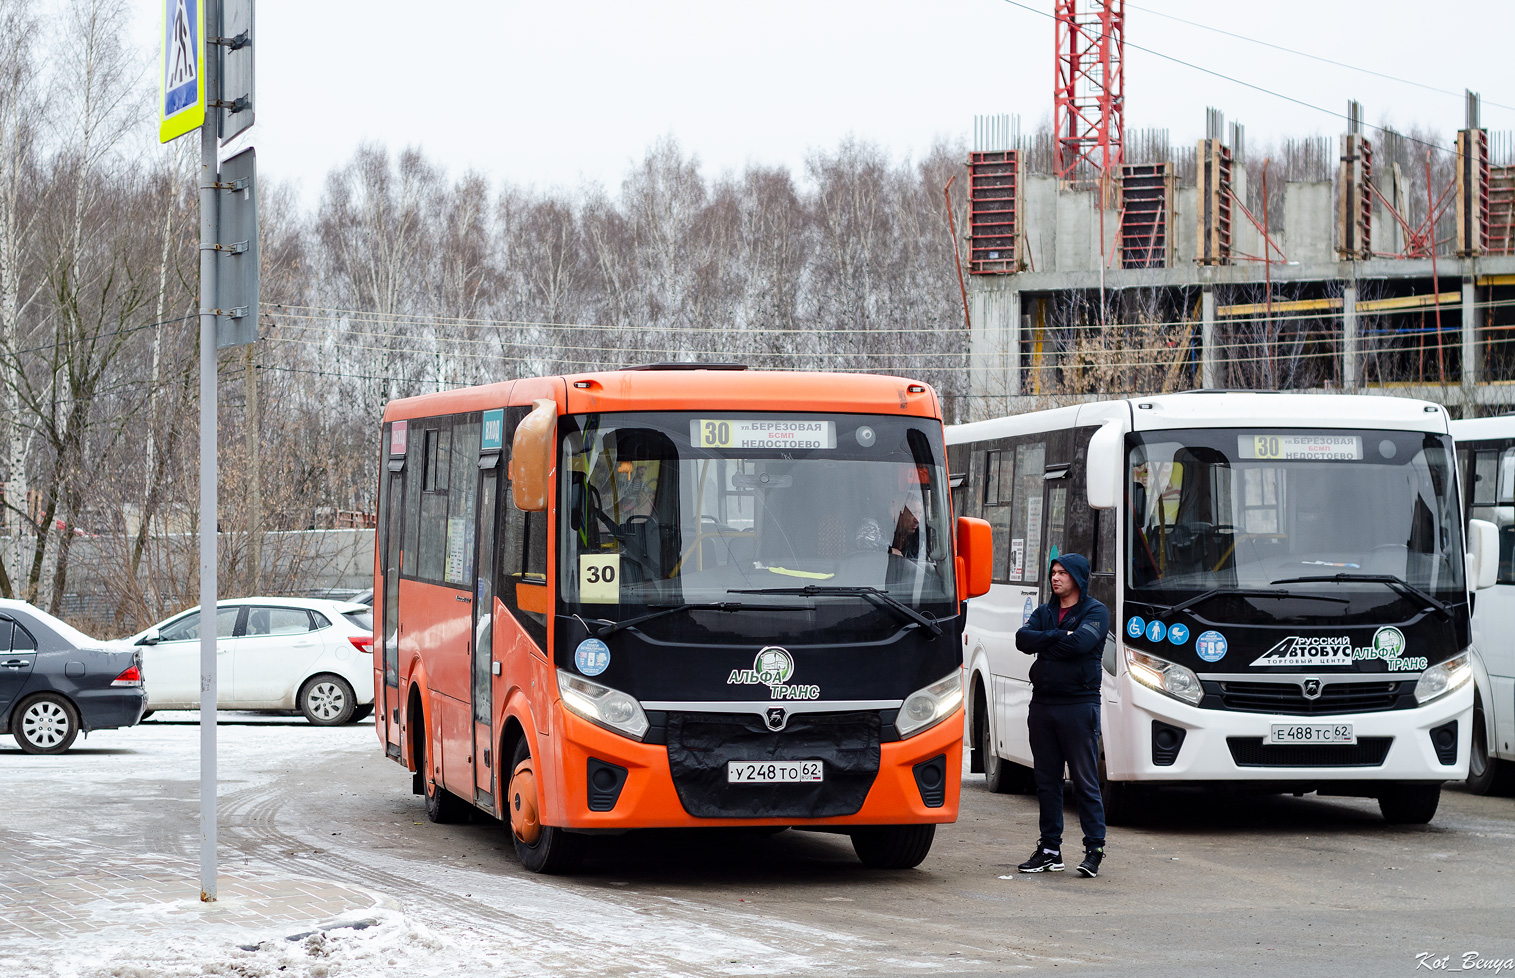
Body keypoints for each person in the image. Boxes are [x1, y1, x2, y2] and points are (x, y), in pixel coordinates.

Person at [1014, 553, 1110, 878]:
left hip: (1079, 706)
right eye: (1053, 572)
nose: (1055, 578)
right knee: (1047, 781)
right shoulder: (1045, 612)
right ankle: (1050, 850)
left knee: (1084, 781)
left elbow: (1082, 644)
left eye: (1062, 573)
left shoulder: (1095, 612)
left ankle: (1094, 849)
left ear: (1078, 578)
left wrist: (1047, 642)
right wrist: (1058, 636)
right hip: (1042, 705)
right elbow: (1021, 640)